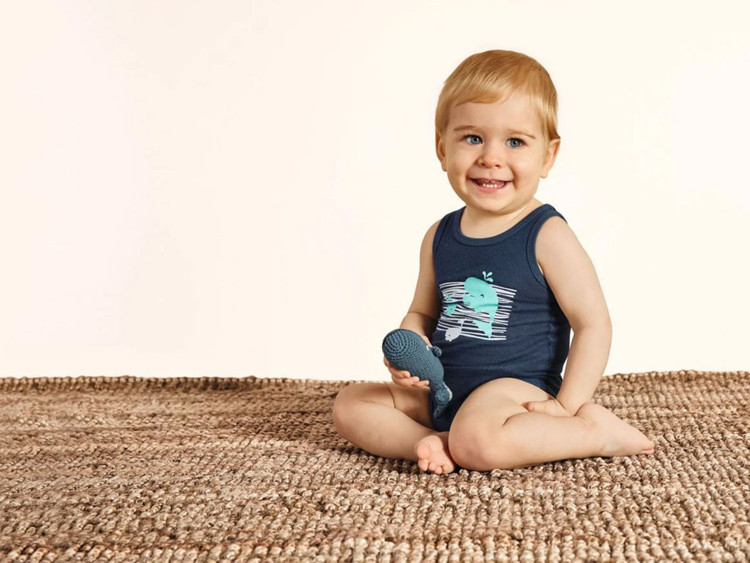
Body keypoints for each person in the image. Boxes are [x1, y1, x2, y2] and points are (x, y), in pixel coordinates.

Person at [332, 50, 655, 474]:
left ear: (548, 156)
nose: (490, 157)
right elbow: (423, 312)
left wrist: (566, 405)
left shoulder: (546, 234)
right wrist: (409, 347)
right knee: (351, 404)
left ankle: (592, 431)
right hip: (443, 388)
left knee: (480, 438)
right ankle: (432, 443)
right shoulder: (439, 235)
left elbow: (593, 323)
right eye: (472, 138)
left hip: (512, 395)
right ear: (441, 147)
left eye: (515, 142)